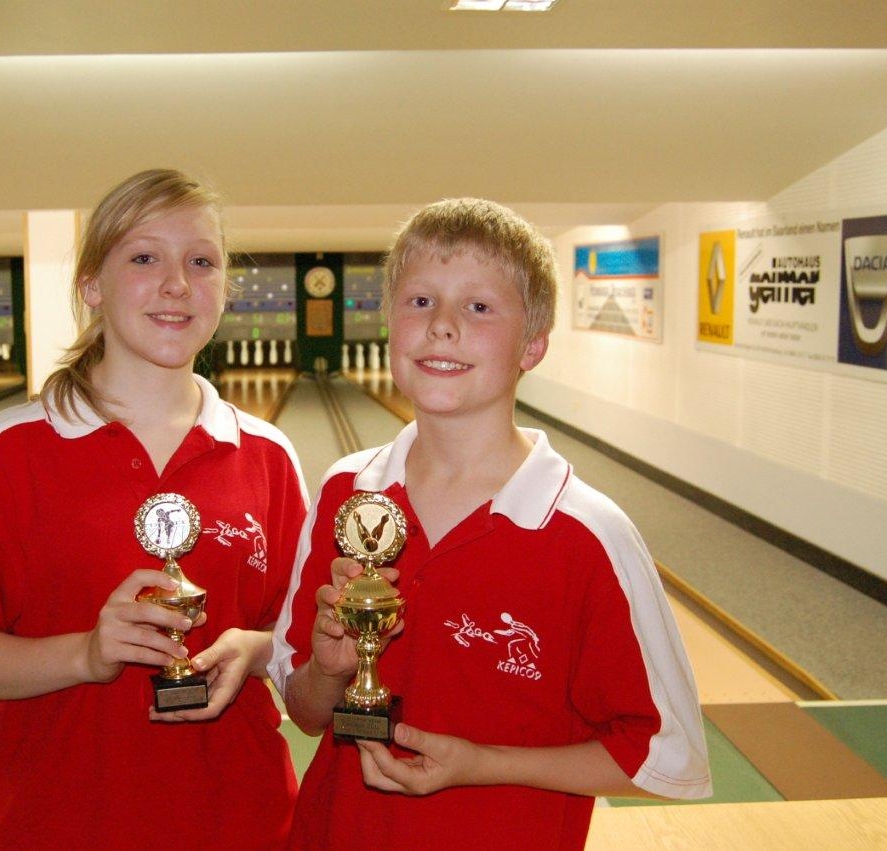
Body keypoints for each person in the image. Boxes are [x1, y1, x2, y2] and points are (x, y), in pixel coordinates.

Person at [269, 198, 711, 849]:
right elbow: (306, 713)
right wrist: (330, 669)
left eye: (479, 307)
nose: (442, 326)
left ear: (532, 344)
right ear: (389, 322)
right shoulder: (345, 491)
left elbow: (666, 756)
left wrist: (484, 765)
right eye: (420, 301)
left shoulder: (588, 535)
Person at [0, 169, 308, 849]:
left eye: (202, 261)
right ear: (92, 284)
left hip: (241, 819)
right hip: (62, 820)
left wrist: (258, 646)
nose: (177, 283)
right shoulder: (11, 451)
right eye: (145, 257)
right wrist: (85, 654)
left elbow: (297, 641)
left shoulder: (267, 454)